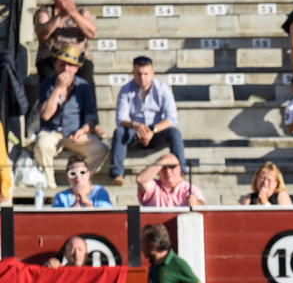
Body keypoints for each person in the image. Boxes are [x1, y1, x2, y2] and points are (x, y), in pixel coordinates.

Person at [35, 45, 107, 187]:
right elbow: (45, 115)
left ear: (76, 68)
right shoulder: (46, 85)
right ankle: (50, 186)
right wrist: (57, 88)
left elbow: (91, 116)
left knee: (101, 149)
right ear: (55, 66)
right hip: (52, 132)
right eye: (62, 64)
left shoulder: (84, 86)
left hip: (75, 132)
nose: (66, 69)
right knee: (41, 145)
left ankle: (83, 183)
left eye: (70, 65)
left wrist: (83, 130)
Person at [109, 56, 186, 187]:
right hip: (134, 133)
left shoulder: (162, 88)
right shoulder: (125, 90)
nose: (142, 77)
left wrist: (152, 130)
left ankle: (181, 172)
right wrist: (136, 125)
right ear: (133, 73)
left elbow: (172, 118)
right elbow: (121, 119)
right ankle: (117, 173)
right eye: (139, 74)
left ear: (152, 73)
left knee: (175, 133)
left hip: (157, 132)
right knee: (119, 132)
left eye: (146, 74)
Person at [33, 0, 96, 89]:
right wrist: (58, 17)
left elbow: (91, 32)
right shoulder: (45, 12)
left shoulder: (82, 11)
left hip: (78, 57)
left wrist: (73, 14)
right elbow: (42, 34)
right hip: (52, 58)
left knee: (86, 80)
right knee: (49, 78)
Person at [142, 223, 208, 283]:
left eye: (143, 243)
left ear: (153, 246)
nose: (142, 248)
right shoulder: (154, 264)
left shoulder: (177, 263)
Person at [136, 152, 203, 208]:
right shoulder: (154, 187)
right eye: (163, 167)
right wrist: (163, 161)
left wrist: (196, 204)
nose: (168, 171)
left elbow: (202, 205)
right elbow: (140, 179)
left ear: (179, 168)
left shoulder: (190, 188)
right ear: (158, 171)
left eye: (172, 166)